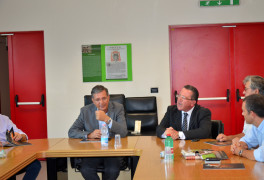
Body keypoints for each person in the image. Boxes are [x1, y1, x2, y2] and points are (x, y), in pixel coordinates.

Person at [68, 85, 128, 180]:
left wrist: (107, 119)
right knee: (86, 169)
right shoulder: (85, 111)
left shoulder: (118, 108)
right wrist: (89, 134)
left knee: (112, 171)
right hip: (93, 151)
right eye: (97, 99)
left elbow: (124, 132)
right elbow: (72, 132)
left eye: (104, 98)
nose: (101, 102)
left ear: (108, 97)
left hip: (112, 151)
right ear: (92, 100)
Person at [217, 75, 264, 142]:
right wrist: (227, 138)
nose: (243, 92)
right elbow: (246, 134)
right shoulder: (249, 108)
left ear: (256, 92)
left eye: (246, 89)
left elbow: (258, 144)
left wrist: (242, 148)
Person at [0, 114, 41, 180]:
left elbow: (24, 135)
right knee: (7, 172)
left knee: (35, 165)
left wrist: (20, 136)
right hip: (3, 163)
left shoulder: (4, 119)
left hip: (8, 157)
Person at [231, 94, 264, 162]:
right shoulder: (256, 125)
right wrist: (238, 145)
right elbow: (247, 140)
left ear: (252, 114)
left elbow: (261, 155)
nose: (242, 114)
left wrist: (241, 152)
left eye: (244, 111)